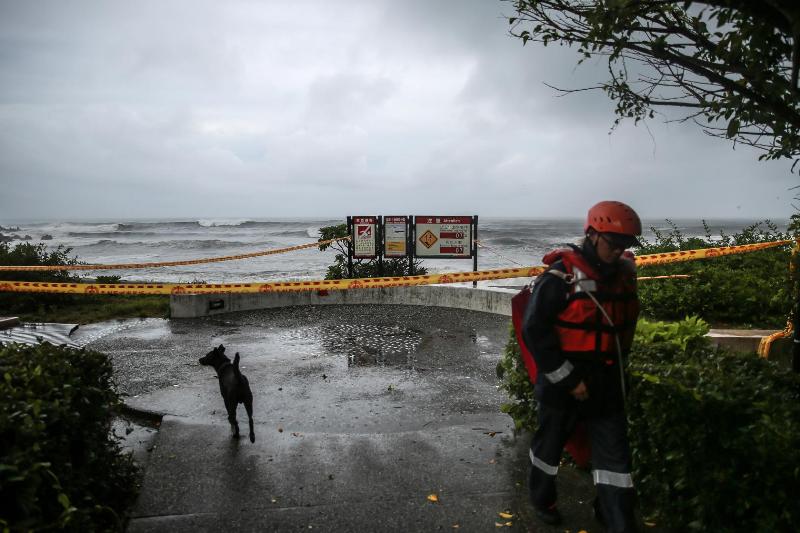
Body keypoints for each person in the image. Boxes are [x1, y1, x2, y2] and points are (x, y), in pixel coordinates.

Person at [521, 200, 642, 532]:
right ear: (591, 234)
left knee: (616, 459)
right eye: (612, 243)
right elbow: (534, 330)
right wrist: (569, 379)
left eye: (625, 246)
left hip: (606, 383)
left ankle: (617, 519)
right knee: (549, 449)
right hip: (563, 383)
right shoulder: (560, 276)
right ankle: (542, 500)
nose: (618, 251)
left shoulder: (624, 277)